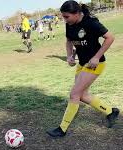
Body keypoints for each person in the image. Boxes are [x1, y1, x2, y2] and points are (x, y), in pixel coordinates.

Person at [47, 1, 120, 137]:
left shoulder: (91, 23)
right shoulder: (69, 25)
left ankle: (62, 129)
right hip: (82, 64)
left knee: (74, 94)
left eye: (66, 16)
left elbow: (110, 37)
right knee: (82, 95)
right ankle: (110, 111)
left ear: (76, 14)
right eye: (63, 17)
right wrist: (69, 55)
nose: (64, 19)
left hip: (95, 65)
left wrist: (97, 57)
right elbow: (69, 41)